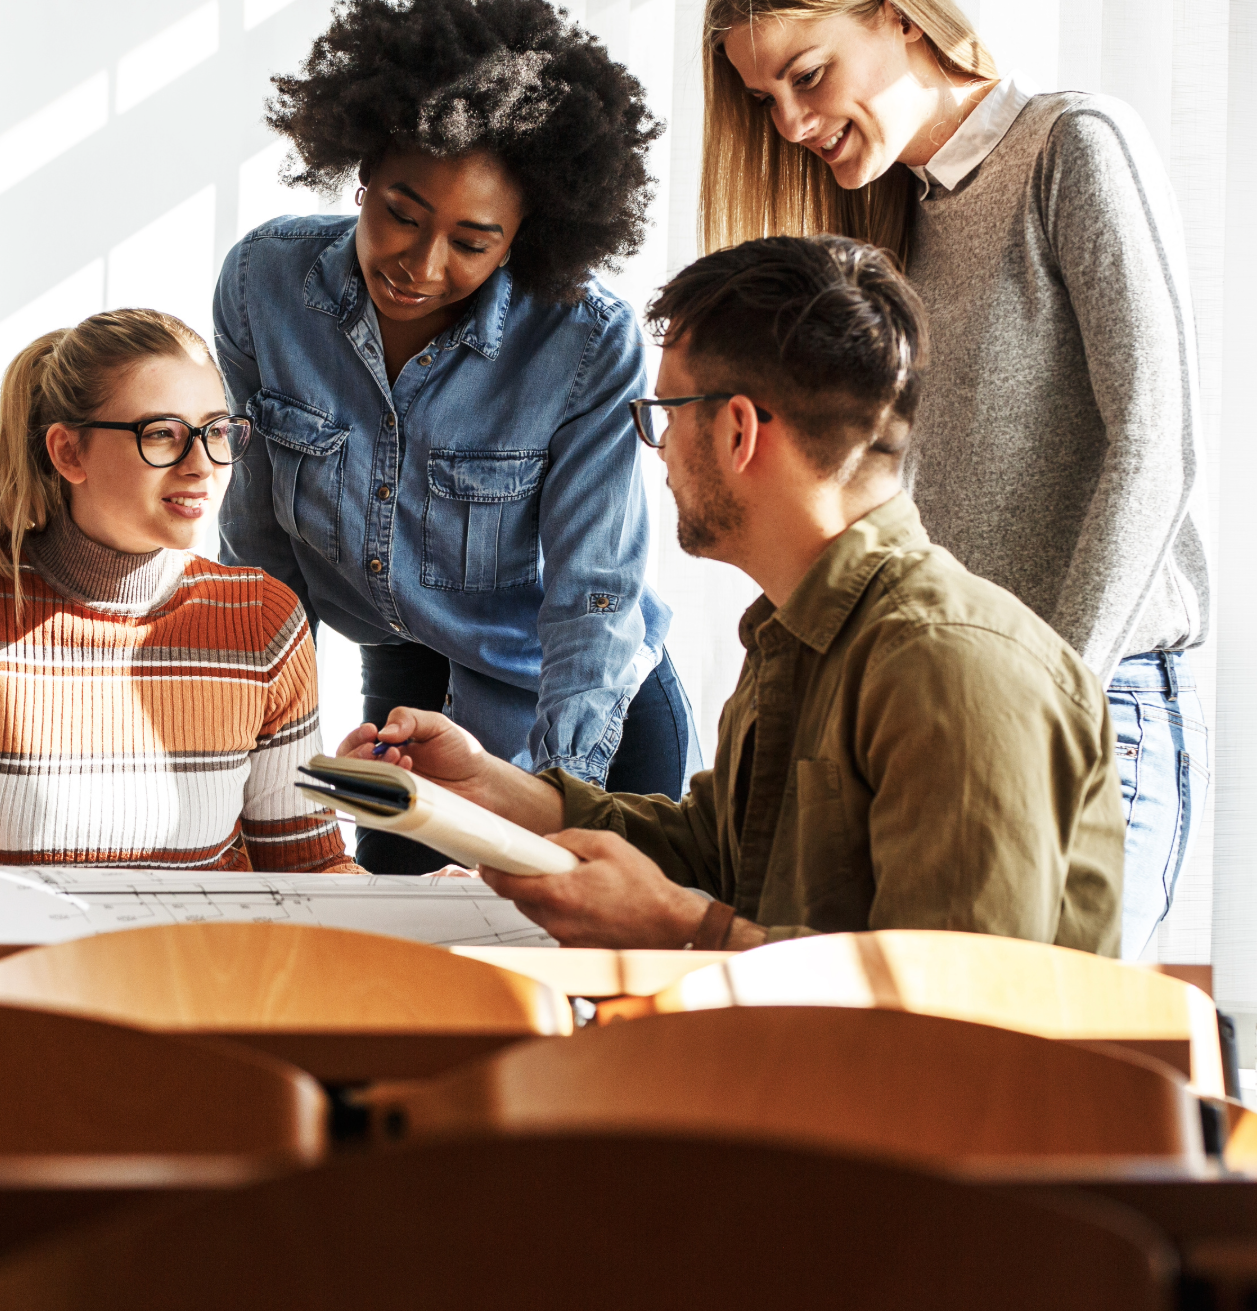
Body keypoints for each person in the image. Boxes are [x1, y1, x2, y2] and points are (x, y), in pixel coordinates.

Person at [345, 236, 1123, 956]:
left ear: (739, 431)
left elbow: (950, 1013)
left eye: (662, 416)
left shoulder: (952, 668)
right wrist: (490, 790)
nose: (658, 454)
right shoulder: (797, 631)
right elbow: (716, 851)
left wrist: (680, 928)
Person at [700, 0, 1207, 957]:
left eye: (806, 76)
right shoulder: (890, 226)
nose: (789, 124)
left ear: (897, 13)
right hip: (949, 717)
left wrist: (1045, 698)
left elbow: (1154, 449)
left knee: (1040, 1075)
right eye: (765, 101)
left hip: (1091, 704)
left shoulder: (1070, 147)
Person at [216, 0, 697, 875]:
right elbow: (259, 561)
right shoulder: (262, 287)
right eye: (401, 214)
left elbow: (594, 596)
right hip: (410, 685)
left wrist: (559, 801)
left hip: (585, 710)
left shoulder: (586, 346)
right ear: (362, 175)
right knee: (402, 984)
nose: (421, 264)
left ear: (525, 239)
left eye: (473, 243)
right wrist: (258, 778)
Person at [0, 308, 352, 872]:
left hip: (199, 962)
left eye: (216, 431)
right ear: (68, 453)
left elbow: (308, 871)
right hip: (2, 961)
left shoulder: (263, 620)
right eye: (162, 434)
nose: (201, 465)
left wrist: (440, 897)